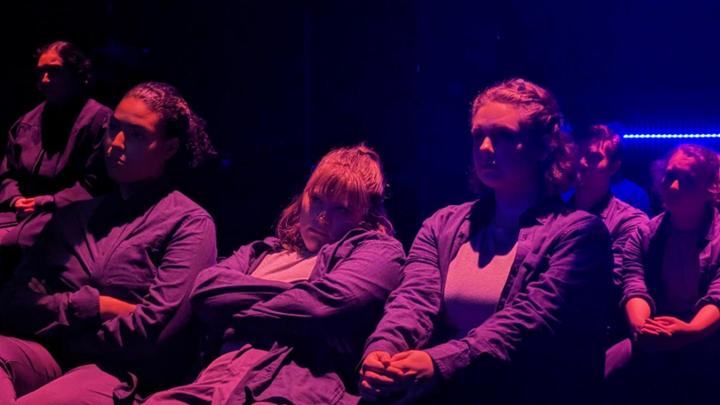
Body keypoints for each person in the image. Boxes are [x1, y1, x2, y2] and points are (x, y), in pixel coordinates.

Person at [358, 78, 613, 404]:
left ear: (545, 143)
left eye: (504, 136)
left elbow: (529, 323)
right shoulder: (443, 224)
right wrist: (382, 351)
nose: (485, 148)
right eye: (478, 135)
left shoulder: (580, 234)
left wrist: (437, 362)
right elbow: (412, 300)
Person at [0, 82, 217, 404]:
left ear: (169, 148)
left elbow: (158, 334)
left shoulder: (188, 223)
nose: (115, 144)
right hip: (49, 354)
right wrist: (98, 306)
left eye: (136, 135)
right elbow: (13, 305)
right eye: (113, 127)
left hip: (120, 371)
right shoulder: (73, 217)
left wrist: (63, 323)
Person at [141, 144, 405, 404]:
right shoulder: (260, 251)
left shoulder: (379, 250)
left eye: (341, 209)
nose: (322, 218)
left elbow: (328, 305)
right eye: (316, 199)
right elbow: (206, 292)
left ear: (365, 216)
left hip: (298, 382)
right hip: (218, 376)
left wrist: (235, 312)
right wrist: (301, 304)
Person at [606, 144, 720, 404]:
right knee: (596, 377)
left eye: (687, 181)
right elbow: (634, 284)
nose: (673, 187)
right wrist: (640, 326)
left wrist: (692, 331)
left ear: (711, 188)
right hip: (653, 337)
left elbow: (718, 295)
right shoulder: (644, 234)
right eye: (670, 176)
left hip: (709, 343)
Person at [0, 41, 112, 248]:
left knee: (11, 244)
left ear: (76, 74)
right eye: (41, 72)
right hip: (19, 210)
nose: (44, 79)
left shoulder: (98, 121)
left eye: (54, 71)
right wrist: (15, 199)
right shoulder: (28, 121)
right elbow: (8, 173)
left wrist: (46, 202)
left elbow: (95, 184)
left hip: (68, 215)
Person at [570, 125, 648, 345]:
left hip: (599, 335)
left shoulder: (630, 221)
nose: (582, 163)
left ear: (613, 167)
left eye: (593, 157)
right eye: (578, 155)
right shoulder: (550, 212)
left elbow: (614, 282)